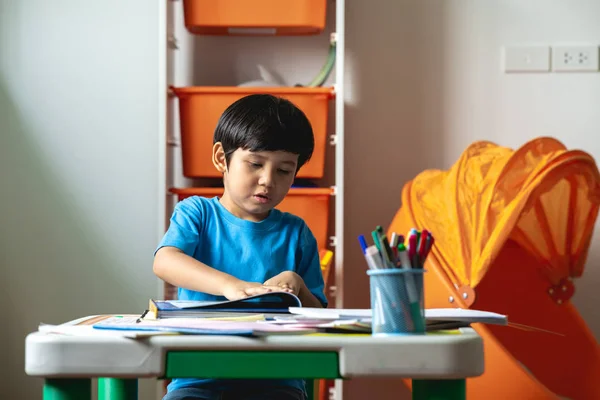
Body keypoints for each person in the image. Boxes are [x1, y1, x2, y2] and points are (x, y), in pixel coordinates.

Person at [153, 94, 328, 400]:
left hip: (277, 382)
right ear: (222, 158)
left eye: (284, 171)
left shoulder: (296, 232)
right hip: (198, 379)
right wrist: (229, 285)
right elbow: (166, 261)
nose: (267, 180)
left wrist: (299, 287)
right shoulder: (197, 213)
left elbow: (320, 322)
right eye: (255, 164)